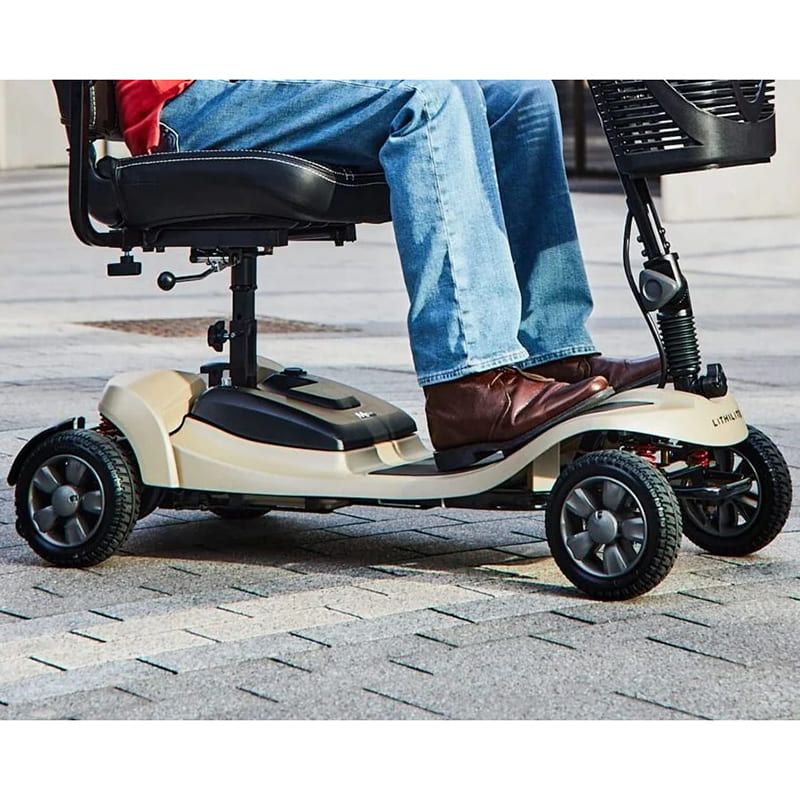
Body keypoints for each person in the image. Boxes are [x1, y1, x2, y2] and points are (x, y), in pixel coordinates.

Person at [116, 80, 659, 456]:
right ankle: (468, 383)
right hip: (190, 102)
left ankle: (553, 353)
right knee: (429, 96)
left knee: (522, 96)